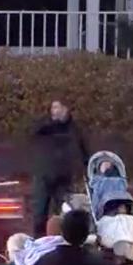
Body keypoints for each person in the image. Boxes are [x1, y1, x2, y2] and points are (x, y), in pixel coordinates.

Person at [29, 101, 89, 238]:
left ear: (66, 109)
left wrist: (89, 167)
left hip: (64, 177)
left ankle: (62, 241)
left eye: (59, 107)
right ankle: (39, 242)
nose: (55, 111)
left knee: (64, 211)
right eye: (53, 108)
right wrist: (52, 123)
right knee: (40, 213)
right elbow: (33, 132)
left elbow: (84, 149)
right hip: (44, 174)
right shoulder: (44, 126)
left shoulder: (74, 129)